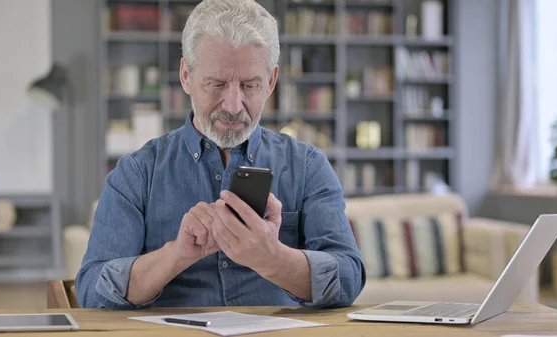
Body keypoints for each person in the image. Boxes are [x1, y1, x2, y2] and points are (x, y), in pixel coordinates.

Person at [76, 0, 366, 309]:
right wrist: (176, 255)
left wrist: (272, 258)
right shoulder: (136, 173)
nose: (232, 105)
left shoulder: (307, 166)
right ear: (186, 75)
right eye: (216, 84)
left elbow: (349, 278)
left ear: (270, 82)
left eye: (250, 85)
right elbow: (93, 292)